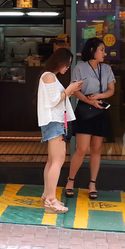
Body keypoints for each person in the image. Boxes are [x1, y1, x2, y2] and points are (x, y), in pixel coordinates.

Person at [66, 37, 115, 200]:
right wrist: (89, 101)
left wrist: (99, 97)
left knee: (96, 149)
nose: (104, 52)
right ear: (92, 50)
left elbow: (111, 90)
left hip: (100, 108)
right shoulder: (80, 68)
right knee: (81, 149)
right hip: (85, 108)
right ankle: (70, 181)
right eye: (101, 49)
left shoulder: (106, 68)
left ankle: (92, 183)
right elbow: (74, 90)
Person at [37, 48, 83, 214]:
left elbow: (55, 100)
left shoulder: (50, 76)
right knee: (57, 160)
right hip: (53, 122)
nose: (68, 67)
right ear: (59, 61)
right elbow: (54, 101)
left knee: (52, 161)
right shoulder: (49, 76)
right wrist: (69, 90)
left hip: (54, 122)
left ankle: (47, 196)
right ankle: (51, 200)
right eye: (67, 63)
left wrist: (69, 90)